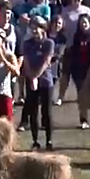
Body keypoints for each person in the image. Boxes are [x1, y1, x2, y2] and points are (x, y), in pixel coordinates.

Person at [21, 16, 56, 151]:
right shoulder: (27, 43)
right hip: (32, 79)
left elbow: (46, 61)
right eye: (32, 27)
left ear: (43, 28)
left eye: (36, 27)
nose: (34, 30)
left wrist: (36, 76)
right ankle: (35, 140)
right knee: (32, 111)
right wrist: (31, 77)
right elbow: (27, 61)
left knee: (46, 111)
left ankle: (49, 140)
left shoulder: (49, 43)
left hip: (46, 80)